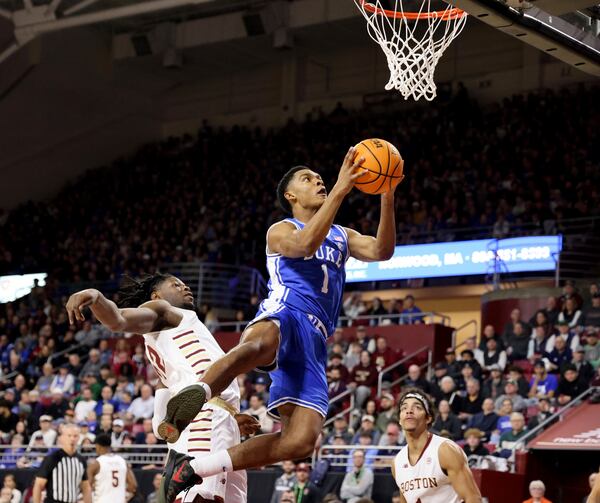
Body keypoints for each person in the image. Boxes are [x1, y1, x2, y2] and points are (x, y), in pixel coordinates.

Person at [66, 275, 257, 503]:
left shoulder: (171, 338)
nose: (184, 286)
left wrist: (229, 413)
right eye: (175, 285)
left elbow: (166, 386)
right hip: (204, 417)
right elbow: (117, 319)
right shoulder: (162, 309)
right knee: (200, 497)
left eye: (183, 283)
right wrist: (96, 297)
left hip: (214, 418)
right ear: (156, 296)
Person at [392, 388, 482, 502]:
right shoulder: (397, 463)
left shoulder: (446, 450)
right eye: (404, 408)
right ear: (400, 419)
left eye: (417, 407)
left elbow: (473, 498)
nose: (409, 411)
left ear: (428, 418)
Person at [32, 424, 91, 503]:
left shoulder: (81, 460)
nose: (72, 439)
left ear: (79, 438)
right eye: (69, 436)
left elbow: (86, 487)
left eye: (75, 436)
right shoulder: (52, 458)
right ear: (62, 438)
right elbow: (38, 485)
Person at [87, 433, 137, 503]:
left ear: (97, 446)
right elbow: (133, 485)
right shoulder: (122, 461)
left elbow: (87, 487)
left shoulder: (96, 464)